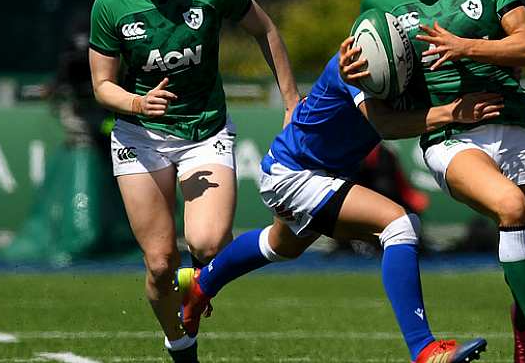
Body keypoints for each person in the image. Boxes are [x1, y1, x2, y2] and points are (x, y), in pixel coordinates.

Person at [345, 0, 525, 362]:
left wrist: (466, 46)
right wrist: (353, 72)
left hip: (513, 123)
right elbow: (377, 103)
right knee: (511, 208)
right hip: (449, 138)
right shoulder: (379, 1)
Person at [175, 50, 503, 363]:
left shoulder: (407, 64)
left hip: (306, 171)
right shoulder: (357, 62)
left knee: (280, 246)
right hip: (293, 173)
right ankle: (424, 348)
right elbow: (385, 125)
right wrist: (451, 112)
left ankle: (201, 286)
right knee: (400, 225)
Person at [87, 0, 299, 361]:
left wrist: (291, 101)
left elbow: (266, 30)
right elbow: (102, 86)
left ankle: (200, 282)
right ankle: (180, 344)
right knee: (161, 264)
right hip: (140, 137)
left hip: (206, 132)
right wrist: (137, 104)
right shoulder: (110, 5)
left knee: (206, 244)